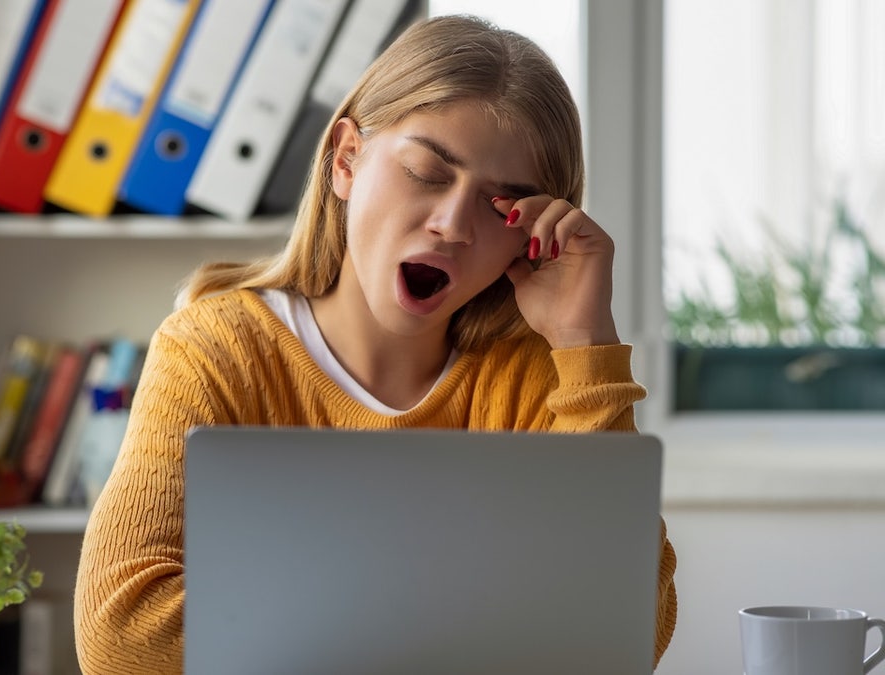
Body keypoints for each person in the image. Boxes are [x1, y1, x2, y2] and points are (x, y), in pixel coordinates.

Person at [74, 14, 677, 673]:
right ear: (345, 160)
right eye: (427, 172)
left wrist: (586, 345)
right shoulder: (217, 350)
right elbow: (121, 636)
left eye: (502, 207)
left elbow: (623, 635)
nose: (452, 225)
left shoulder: (539, 378)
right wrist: (471, 628)